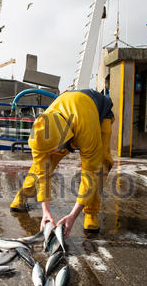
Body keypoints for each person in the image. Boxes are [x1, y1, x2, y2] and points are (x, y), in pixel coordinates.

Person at [10, 89, 114, 237]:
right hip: (68, 110)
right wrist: (46, 211)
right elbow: (41, 171)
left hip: (96, 113)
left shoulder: (87, 129)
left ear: (65, 140)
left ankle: (91, 212)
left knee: (102, 164)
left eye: (53, 150)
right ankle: (22, 195)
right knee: (42, 166)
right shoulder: (39, 132)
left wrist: (72, 216)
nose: (51, 154)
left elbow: (91, 173)